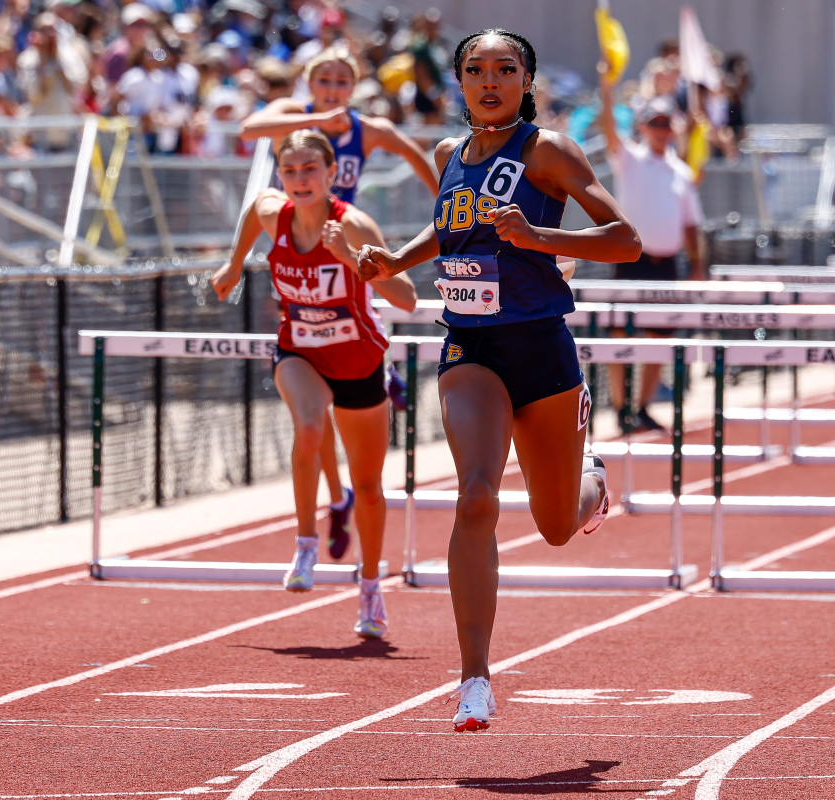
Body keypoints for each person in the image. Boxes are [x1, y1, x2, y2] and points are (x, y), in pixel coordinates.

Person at [356, 28, 641, 731]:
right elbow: (449, 232)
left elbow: (626, 240)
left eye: (504, 69)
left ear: (526, 80)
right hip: (470, 345)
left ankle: (593, 482)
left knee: (553, 527)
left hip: (542, 350)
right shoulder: (449, 154)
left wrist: (542, 238)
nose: (490, 81)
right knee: (476, 493)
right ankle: (474, 679)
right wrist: (394, 261)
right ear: (458, 82)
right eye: (475, 70)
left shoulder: (548, 152)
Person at [210, 129, 417, 638]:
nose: (299, 180)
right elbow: (253, 207)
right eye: (290, 171)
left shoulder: (354, 223)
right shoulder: (272, 214)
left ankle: (370, 586)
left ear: (331, 175)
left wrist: (351, 258)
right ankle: (306, 543)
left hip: (358, 360)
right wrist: (234, 264)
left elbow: (407, 296)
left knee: (368, 489)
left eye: (310, 170)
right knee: (308, 426)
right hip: (299, 351)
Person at [240, 45, 439, 558]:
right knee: (312, 414)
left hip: (342, 228)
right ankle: (333, 498)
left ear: (353, 87)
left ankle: (377, 361)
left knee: (353, 306)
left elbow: (409, 149)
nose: (332, 91)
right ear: (310, 84)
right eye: (322, 81)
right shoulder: (296, 116)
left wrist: (445, 196)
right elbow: (249, 128)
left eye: (340, 83)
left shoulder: (364, 128)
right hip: (300, 234)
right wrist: (230, 263)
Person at [597, 65, 705, 433]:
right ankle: (620, 405)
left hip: (666, 264)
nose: (661, 129)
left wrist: (698, 263)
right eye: (654, 122)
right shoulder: (629, 158)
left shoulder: (681, 171)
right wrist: (606, 86)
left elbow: (692, 223)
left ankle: (640, 406)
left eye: (665, 123)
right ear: (643, 127)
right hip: (631, 260)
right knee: (620, 336)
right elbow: (608, 128)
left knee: (660, 339)